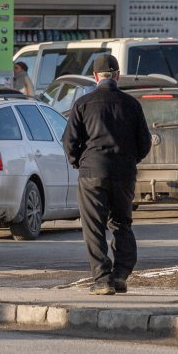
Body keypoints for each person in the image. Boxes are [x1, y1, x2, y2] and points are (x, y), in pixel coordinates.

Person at [62, 54, 152, 296]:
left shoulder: (83, 103)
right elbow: (145, 142)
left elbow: (69, 142)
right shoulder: (132, 104)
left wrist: (79, 161)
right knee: (122, 223)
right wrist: (131, 160)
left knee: (94, 226)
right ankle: (121, 275)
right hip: (124, 172)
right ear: (117, 76)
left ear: (95, 77)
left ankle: (102, 279)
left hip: (92, 170)